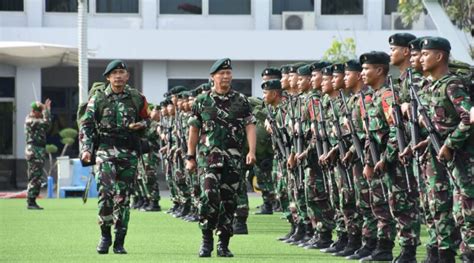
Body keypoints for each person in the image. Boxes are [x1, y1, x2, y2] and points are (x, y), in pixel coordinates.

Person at [186, 58, 257, 257]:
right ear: (213, 77)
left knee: (229, 202)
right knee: (208, 196)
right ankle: (206, 240)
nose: (226, 76)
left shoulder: (241, 100)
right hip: (208, 158)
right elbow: (193, 130)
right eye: (221, 73)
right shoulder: (202, 101)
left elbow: (250, 126)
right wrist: (190, 156)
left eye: (228, 73)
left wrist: (251, 151)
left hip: (233, 159)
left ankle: (223, 244)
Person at [79, 59, 150, 255]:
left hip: (128, 153)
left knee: (123, 198)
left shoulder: (137, 98)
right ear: (108, 77)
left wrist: (141, 125)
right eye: (114, 73)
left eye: (122, 72)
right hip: (105, 151)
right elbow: (87, 125)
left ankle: (119, 240)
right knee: (105, 193)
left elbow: (147, 119)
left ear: (127, 76)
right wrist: (86, 149)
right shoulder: (99, 98)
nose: (118, 76)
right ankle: (105, 235)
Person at [25, 99, 52, 210]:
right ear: (34, 111)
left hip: (38, 150)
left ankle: (32, 200)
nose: (41, 113)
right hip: (34, 151)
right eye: (40, 111)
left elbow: (47, 126)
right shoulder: (30, 120)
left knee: (37, 177)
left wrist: (46, 110)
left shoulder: (35, 120)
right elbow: (46, 123)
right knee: (35, 177)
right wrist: (46, 110)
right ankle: (31, 201)